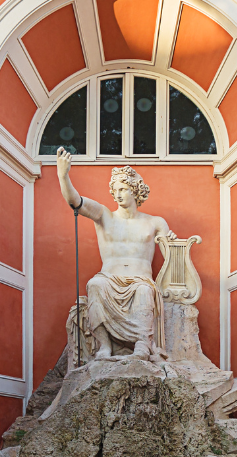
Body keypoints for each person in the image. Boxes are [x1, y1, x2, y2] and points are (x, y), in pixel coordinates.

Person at [56, 147, 176, 361]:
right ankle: (104, 346)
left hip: (140, 280)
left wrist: (172, 244)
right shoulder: (104, 215)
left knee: (143, 290)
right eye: (116, 190)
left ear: (135, 190)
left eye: (124, 189)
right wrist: (63, 175)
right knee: (95, 285)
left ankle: (142, 345)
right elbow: (75, 201)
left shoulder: (155, 222)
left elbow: (171, 261)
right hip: (108, 279)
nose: (118, 194)